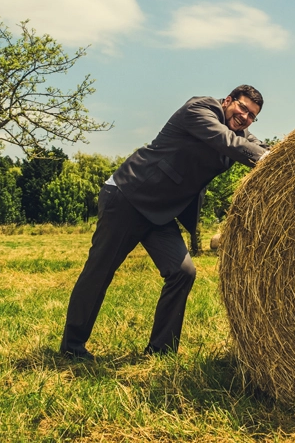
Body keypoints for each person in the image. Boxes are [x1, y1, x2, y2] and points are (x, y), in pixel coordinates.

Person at [61, 85, 269, 361]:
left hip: (160, 212)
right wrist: (262, 156)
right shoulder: (200, 109)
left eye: (252, 115)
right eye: (242, 108)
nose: (245, 117)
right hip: (128, 196)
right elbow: (226, 142)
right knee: (100, 270)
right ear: (228, 100)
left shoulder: (240, 132)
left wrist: (287, 156)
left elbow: (258, 147)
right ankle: (72, 346)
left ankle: (161, 350)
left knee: (182, 272)